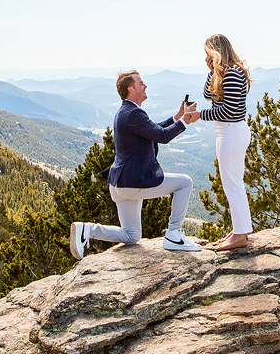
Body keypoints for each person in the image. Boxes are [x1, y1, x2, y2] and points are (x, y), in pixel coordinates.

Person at [69, 70, 203, 260]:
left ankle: (88, 229)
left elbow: (153, 129)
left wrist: (178, 116)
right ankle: (174, 234)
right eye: (141, 84)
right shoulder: (132, 113)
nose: (145, 86)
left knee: (132, 236)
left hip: (120, 184)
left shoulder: (128, 111)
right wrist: (186, 120)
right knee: (185, 182)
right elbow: (162, 136)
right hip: (133, 183)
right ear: (131, 89)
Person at [188, 34, 253, 250]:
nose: (205, 57)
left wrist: (200, 116)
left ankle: (241, 235)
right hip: (228, 132)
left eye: (208, 53)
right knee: (232, 184)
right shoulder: (226, 72)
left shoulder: (233, 73)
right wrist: (211, 71)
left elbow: (228, 111)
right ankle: (239, 230)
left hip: (231, 131)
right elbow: (208, 94)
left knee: (233, 185)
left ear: (217, 51)